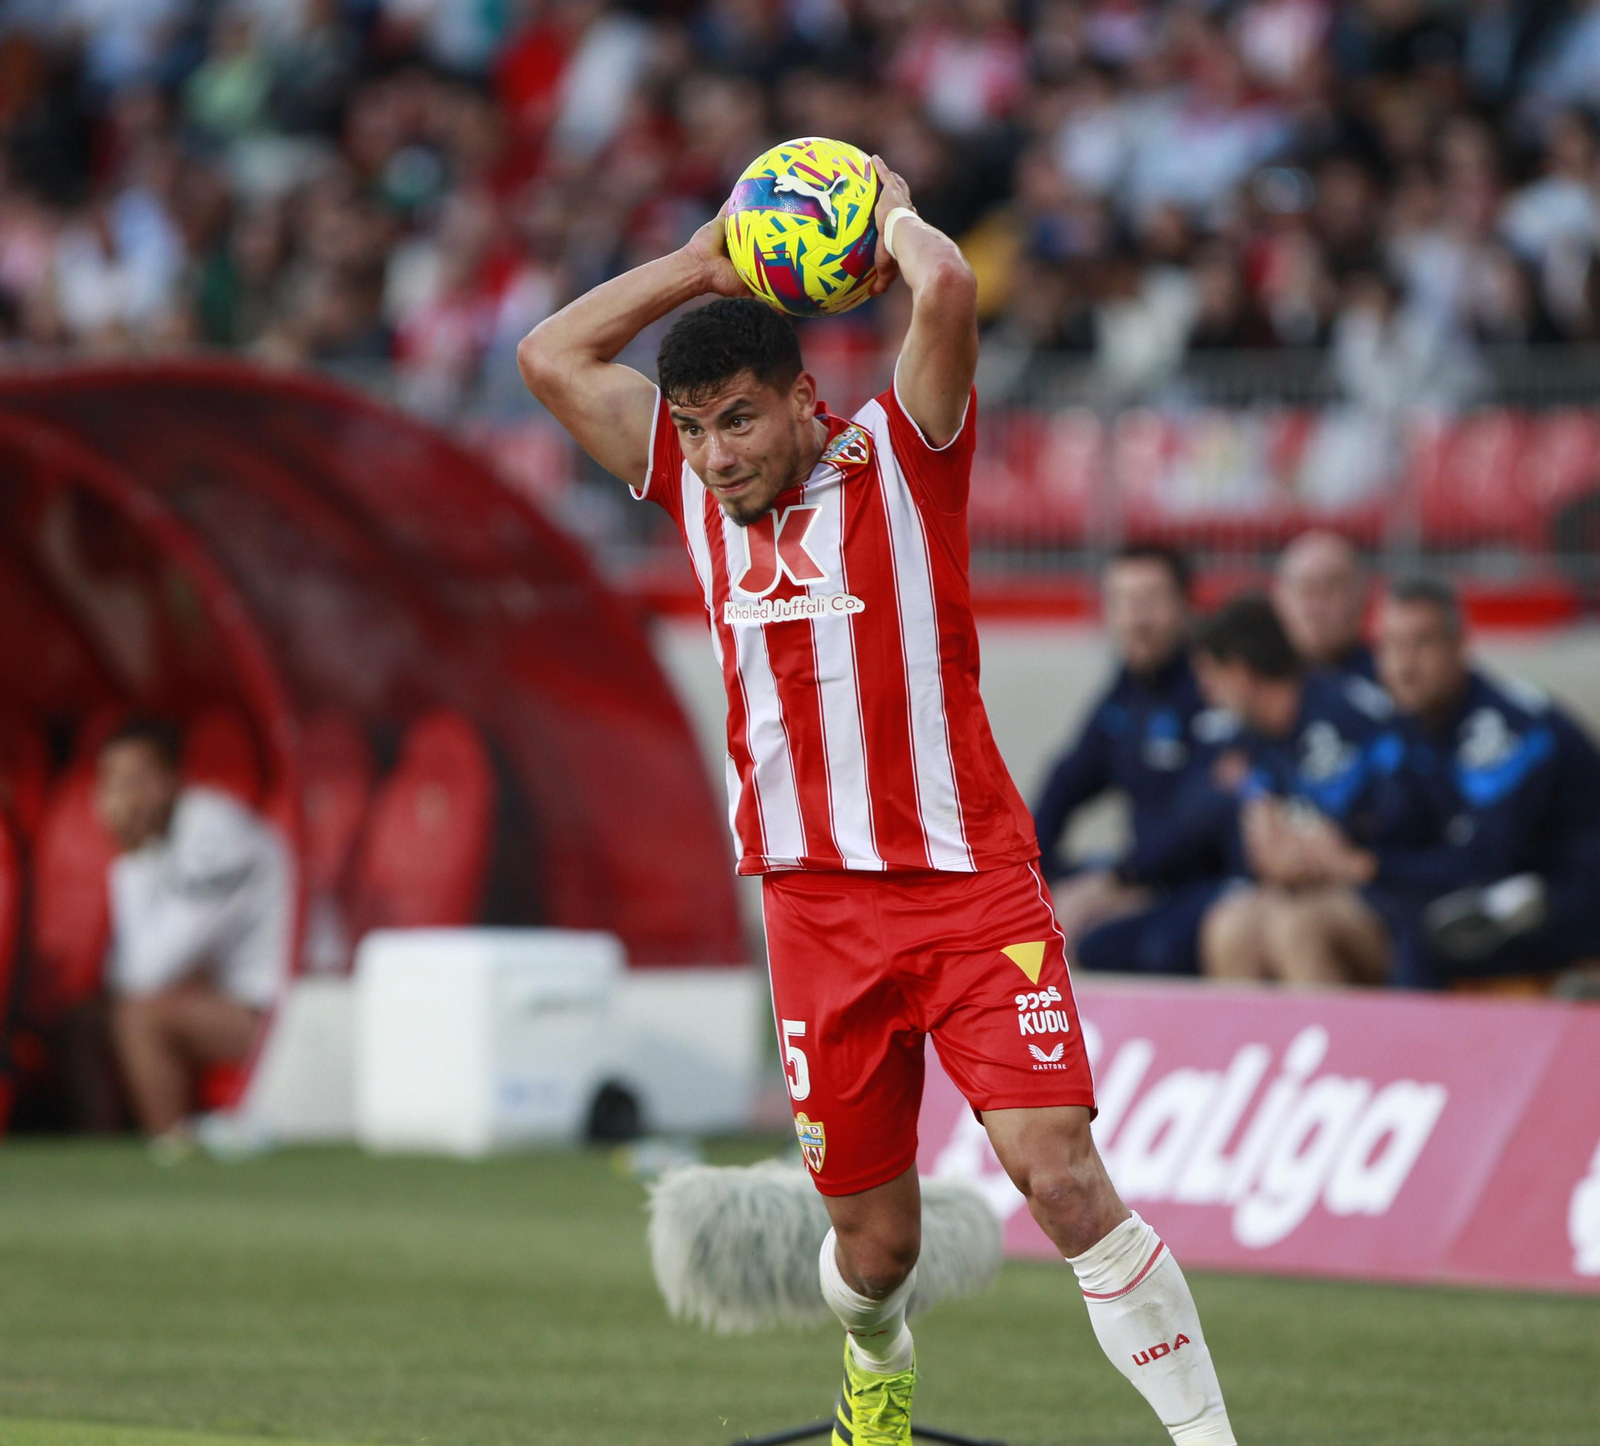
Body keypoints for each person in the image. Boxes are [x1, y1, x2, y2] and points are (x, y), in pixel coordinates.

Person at [517, 166, 1236, 1446]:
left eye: (737, 420)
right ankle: (875, 1363)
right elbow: (549, 352)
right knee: (873, 1246)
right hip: (813, 917)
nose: (714, 454)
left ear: (805, 396)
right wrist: (702, 258)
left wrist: (885, 213)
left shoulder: (905, 454)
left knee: (1065, 1183)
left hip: (971, 893)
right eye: (691, 428)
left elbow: (948, 285)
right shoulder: (685, 486)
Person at [1368, 579, 1600, 986]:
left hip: (1570, 899)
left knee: (1426, 935)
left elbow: (1482, 863)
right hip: (1498, 895)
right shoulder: (1404, 726)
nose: (1404, 665)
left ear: (1460, 645)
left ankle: (1415, 1049)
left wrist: (1369, 866)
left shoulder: (1504, 729)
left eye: (1421, 644)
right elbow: (1393, 832)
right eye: (1391, 645)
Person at [1032, 544, 1234, 975]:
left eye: (1151, 601)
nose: (1137, 619)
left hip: (1206, 883)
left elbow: (1202, 818)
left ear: (1186, 605)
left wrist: (1121, 879)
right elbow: (1065, 782)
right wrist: (1026, 873)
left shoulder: (1215, 688)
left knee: (1133, 948)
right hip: (1142, 878)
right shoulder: (1126, 693)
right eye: (1123, 602)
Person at [95, 717, 288, 1155]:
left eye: (137, 780)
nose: (124, 798)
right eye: (112, 783)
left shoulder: (216, 834)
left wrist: (127, 856)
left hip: (288, 1015)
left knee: (140, 1018)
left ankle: (174, 1151)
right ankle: (97, 1151)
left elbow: (147, 973)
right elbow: (123, 972)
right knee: (85, 1017)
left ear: (172, 778)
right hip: (233, 1001)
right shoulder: (163, 840)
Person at [1191, 596, 1406, 986]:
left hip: (1392, 889)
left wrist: (1326, 849)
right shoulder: (1255, 737)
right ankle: (1262, 1047)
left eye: (1212, 676)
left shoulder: (1346, 713)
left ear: (1240, 674)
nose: (1208, 693)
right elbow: (1265, 842)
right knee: (1229, 925)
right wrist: (1286, 854)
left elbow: (1384, 824)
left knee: (1295, 928)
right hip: (1317, 887)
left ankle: (1336, 1046)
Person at [1272, 529, 1380, 686]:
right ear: (1279, 598)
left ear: (1362, 594)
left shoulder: (1396, 684)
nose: (1317, 606)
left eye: (1332, 587)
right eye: (1306, 588)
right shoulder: (1251, 687)